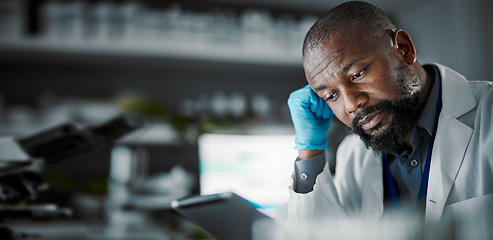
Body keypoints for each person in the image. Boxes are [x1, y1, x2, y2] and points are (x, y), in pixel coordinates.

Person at [286, 1, 493, 224]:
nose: (351, 105)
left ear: (404, 49)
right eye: (331, 95)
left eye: (358, 74)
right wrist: (309, 152)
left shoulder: (488, 115)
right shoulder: (352, 158)